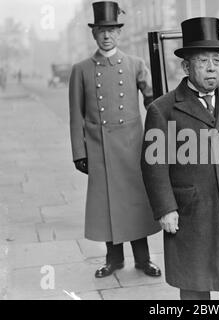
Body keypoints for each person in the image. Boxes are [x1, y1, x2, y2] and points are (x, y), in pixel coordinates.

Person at [141, 17, 219, 300]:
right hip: (192, 215)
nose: (211, 68)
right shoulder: (163, 109)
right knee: (195, 288)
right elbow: (153, 165)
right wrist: (165, 209)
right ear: (186, 67)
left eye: (215, 61)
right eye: (202, 61)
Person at [69, 1, 161, 279]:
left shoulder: (135, 64)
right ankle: (114, 259)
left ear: (119, 33)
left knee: (136, 203)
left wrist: (160, 136)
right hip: (101, 148)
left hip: (132, 146)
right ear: (93, 34)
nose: (106, 35)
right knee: (107, 205)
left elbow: (154, 103)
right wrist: (79, 152)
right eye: (100, 30)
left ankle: (143, 259)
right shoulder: (81, 69)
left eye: (111, 30)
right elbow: (75, 115)